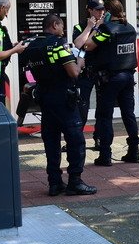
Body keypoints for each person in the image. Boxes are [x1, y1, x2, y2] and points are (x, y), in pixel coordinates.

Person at [21, 13, 96, 197]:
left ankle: (54, 183)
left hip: (45, 99)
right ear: (55, 25)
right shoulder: (58, 44)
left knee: (51, 141)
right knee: (75, 140)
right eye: (61, 27)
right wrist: (79, 61)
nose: (62, 31)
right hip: (64, 98)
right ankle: (75, 182)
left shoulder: (32, 46)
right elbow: (72, 72)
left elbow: (33, 70)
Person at [84, 0, 139, 165]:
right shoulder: (129, 28)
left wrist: (95, 27)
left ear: (108, 12)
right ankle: (134, 152)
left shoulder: (107, 29)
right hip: (128, 77)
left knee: (105, 116)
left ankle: (105, 155)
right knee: (128, 114)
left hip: (110, 78)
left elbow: (88, 45)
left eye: (104, 11)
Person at [71, 0, 106, 149]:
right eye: (97, 9)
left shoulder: (106, 26)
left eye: (102, 9)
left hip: (101, 72)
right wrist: (90, 28)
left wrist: (99, 27)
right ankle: (76, 139)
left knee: (102, 108)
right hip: (85, 73)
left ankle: (99, 138)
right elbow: (79, 45)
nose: (101, 12)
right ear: (90, 10)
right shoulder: (79, 27)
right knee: (81, 107)